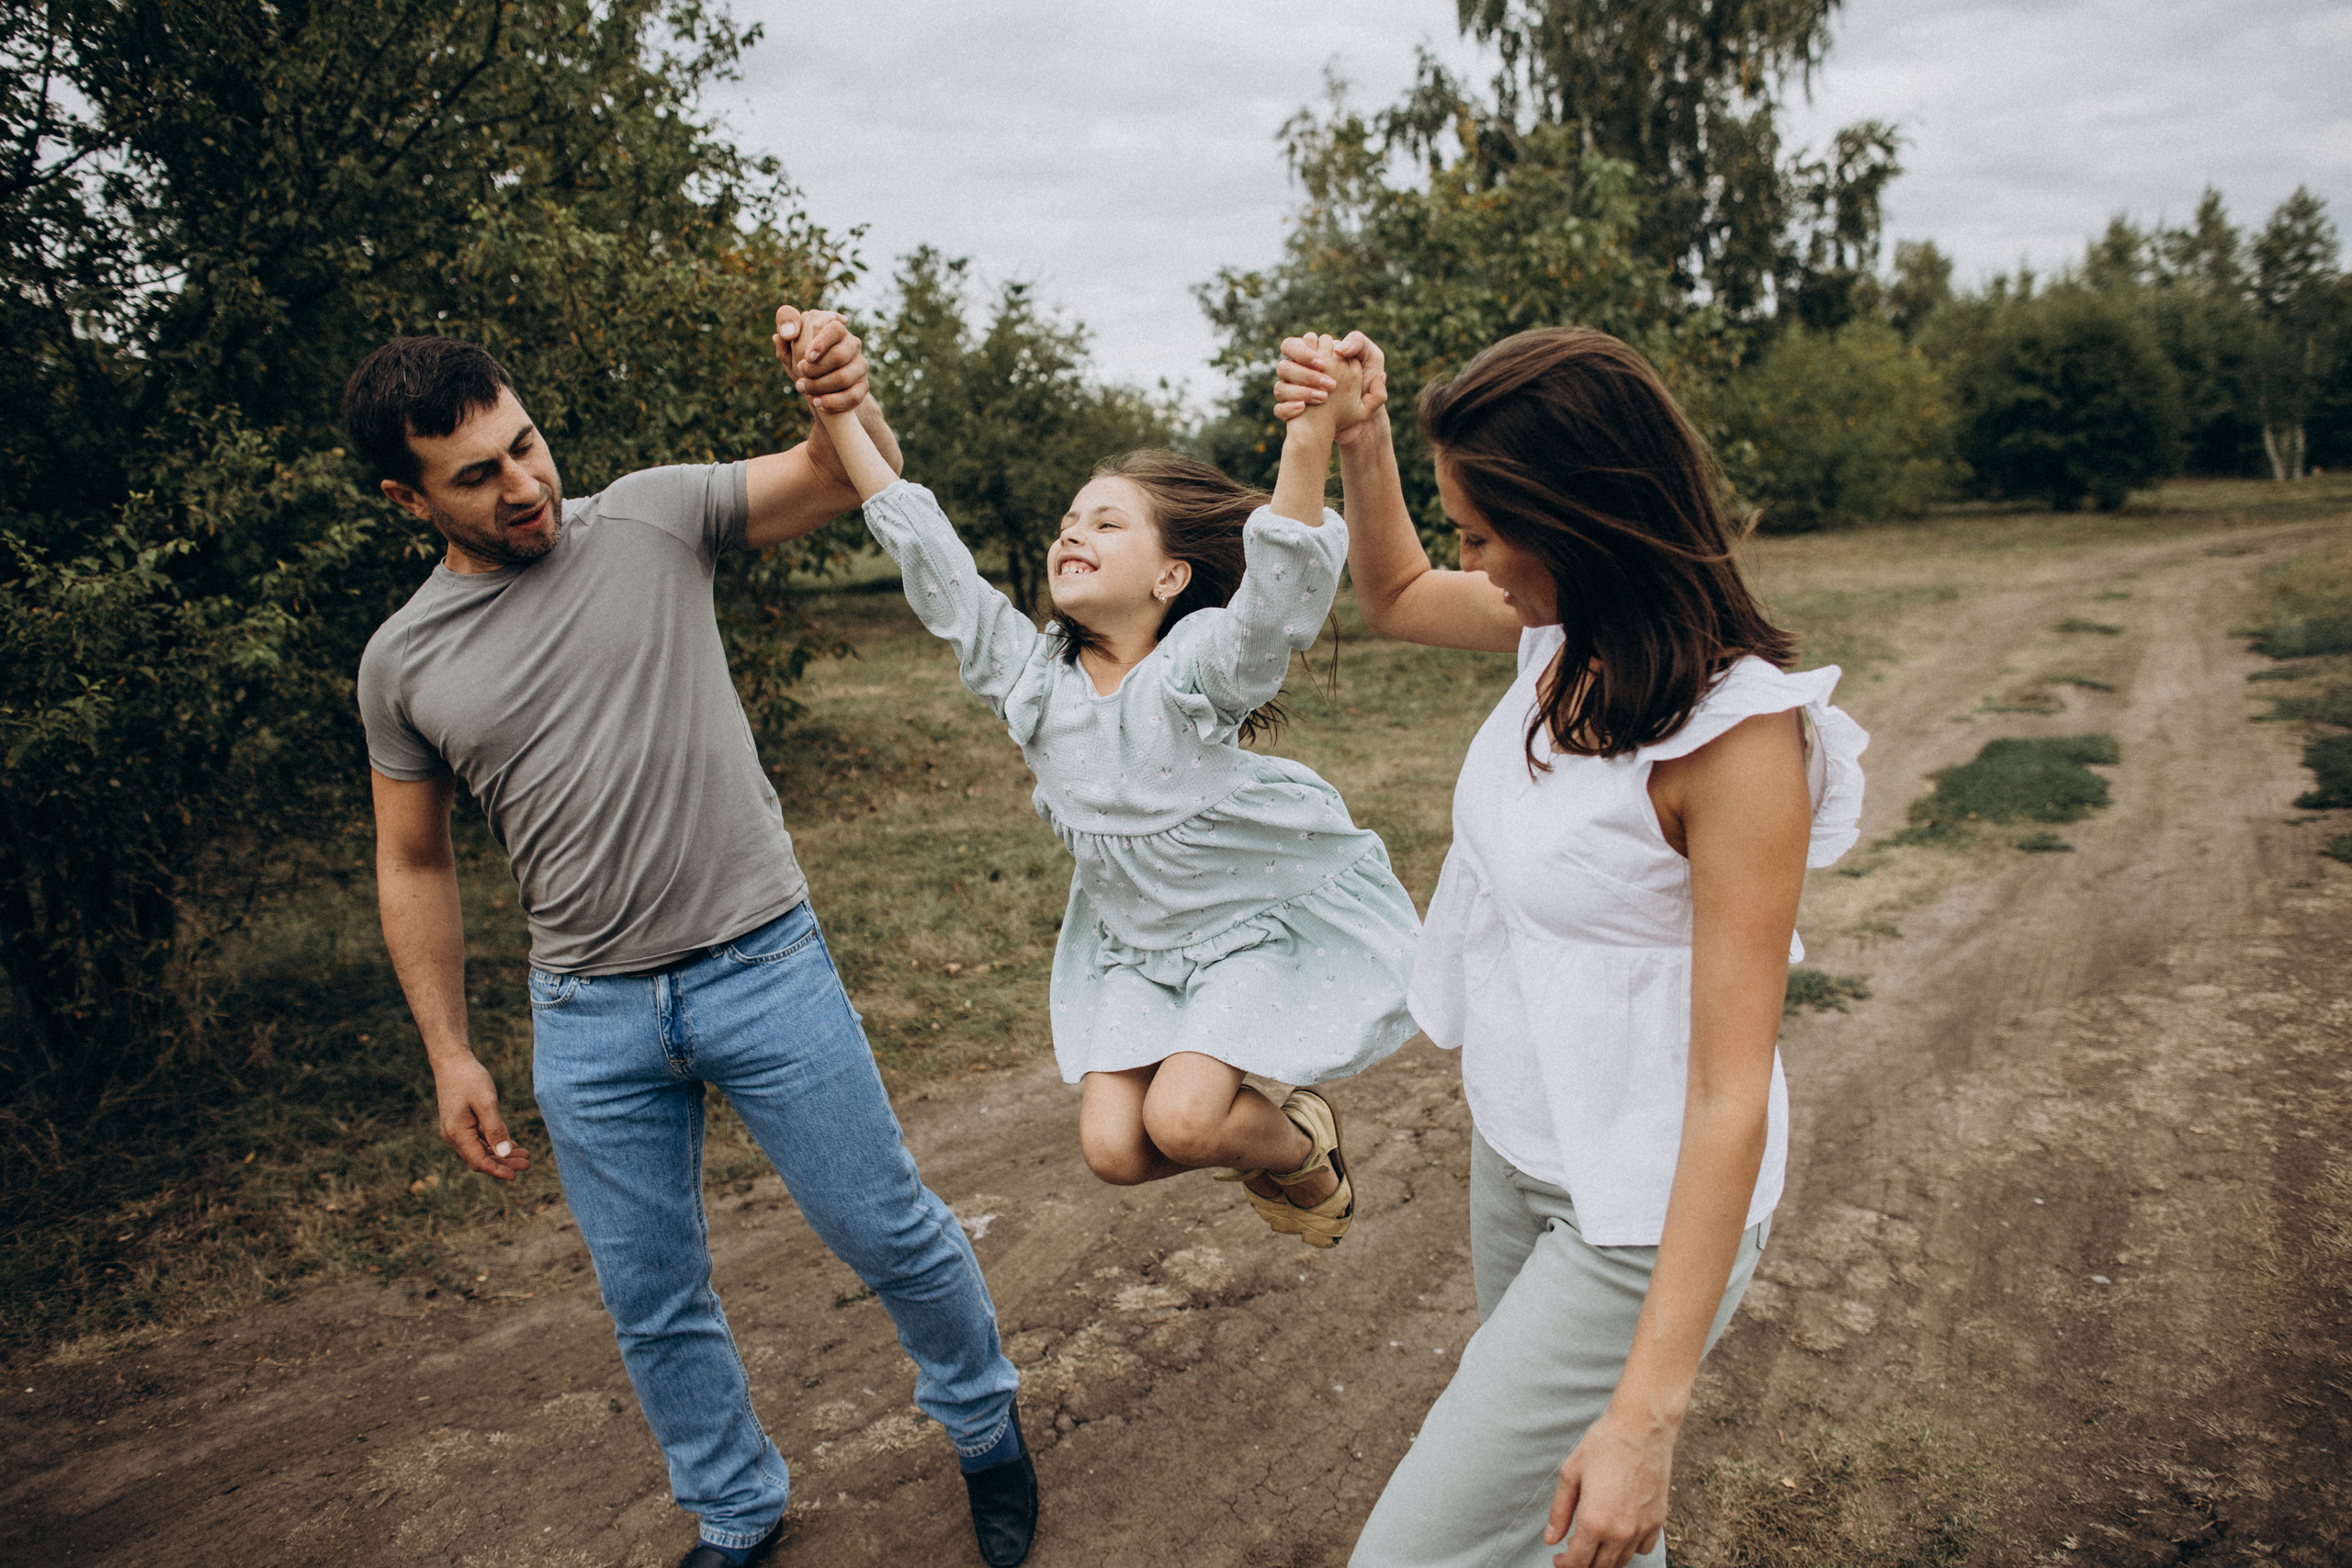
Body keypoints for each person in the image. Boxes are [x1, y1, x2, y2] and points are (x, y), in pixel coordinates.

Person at [347, 311, 1037, 1568]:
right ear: (409, 498)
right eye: (477, 474)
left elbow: (844, 470)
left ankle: (987, 1425)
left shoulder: (658, 513)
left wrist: (841, 388)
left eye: (527, 444)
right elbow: (414, 859)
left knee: (887, 1228)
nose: (524, 483)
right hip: (586, 1016)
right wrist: (449, 1049)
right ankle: (738, 1506)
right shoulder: (401, 661)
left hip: (760, 962)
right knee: (652, 1299)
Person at [1274, 326, 1867, 1568]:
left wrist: (1651, 1413)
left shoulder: (1738, 741)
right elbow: (1388, 596)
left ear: (1581, 520)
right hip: (1525, 1148)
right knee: (1570, 1528)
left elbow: (1728, 1090)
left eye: (1485, 535)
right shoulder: (1564, 631)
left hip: (1641, 1208)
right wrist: (1366, 438)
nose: (1471, 564)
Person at [784, 330, 1419, 1248]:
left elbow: (1272, 603)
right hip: (1136, 945)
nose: (1072, 532)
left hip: (1239, 930)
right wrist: (836, 412)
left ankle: (1297, 1149)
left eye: (1106, 523)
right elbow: (935, 562)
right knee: (1115, 1150)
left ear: (1171, 575)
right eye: (1067, 523)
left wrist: (1310, 431)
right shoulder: (1031, 683)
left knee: (1187, 1123)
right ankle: (1279, 1139)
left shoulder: (1195, 671)